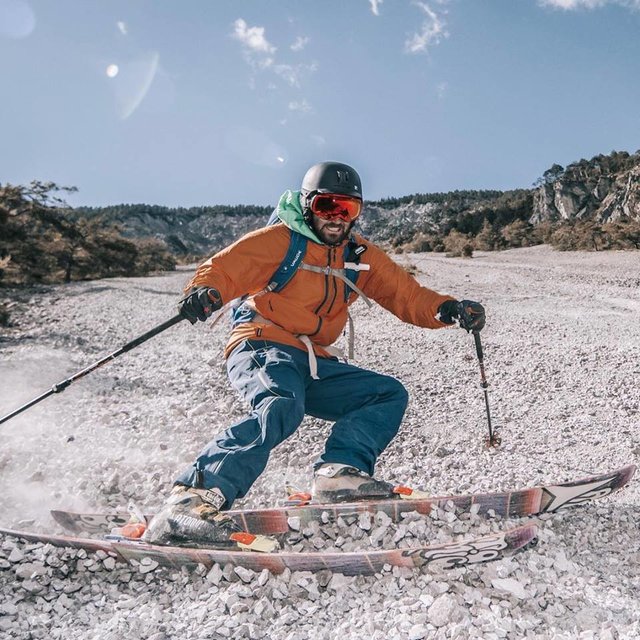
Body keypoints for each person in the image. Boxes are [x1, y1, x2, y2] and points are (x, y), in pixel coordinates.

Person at [143, 161, 485, 547]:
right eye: (327, 207)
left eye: (348, 209)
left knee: (386, 393)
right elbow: (225, 268)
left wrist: (449, 309)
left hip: (313, 359)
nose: (338, 218)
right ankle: (191, 497)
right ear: (308, 205)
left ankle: (340, 475)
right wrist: (203, 291)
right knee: (280, 404)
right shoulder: (280, 240)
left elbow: (406, 295)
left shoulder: (358, 255)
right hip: (261, 343)